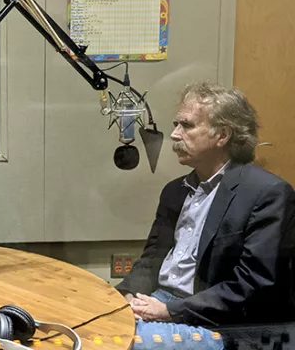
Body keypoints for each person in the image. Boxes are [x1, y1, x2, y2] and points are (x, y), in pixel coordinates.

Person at [116, 82, 295, 349]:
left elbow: (252, 285)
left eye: (186, 126)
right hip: (162, 303)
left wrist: (169, 311)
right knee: (91, 325)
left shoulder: (268, 193)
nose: (175, 135)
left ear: (222, 135)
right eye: (177, 124)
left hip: (220, 324)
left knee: (123, 343)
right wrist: (124, 296)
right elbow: (152, 259)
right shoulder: (174, 191)